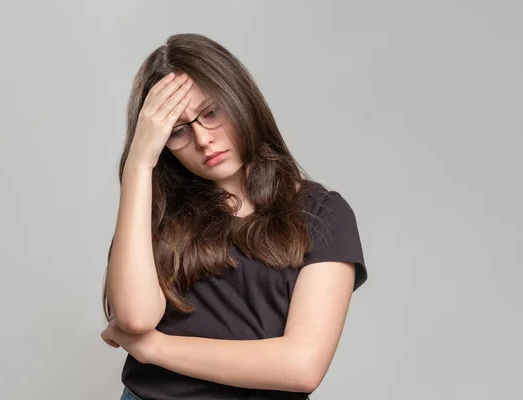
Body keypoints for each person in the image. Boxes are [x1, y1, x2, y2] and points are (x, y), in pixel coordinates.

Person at [100, 33, 368, 400]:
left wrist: (153, 349)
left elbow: (302, 366)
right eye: (177, 131)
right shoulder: (156, 209)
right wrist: (138, 164)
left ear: (240, 99)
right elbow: (134, 318)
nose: (203, 139)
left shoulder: (322, 213)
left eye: (211, 113)